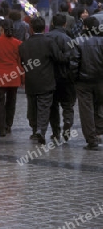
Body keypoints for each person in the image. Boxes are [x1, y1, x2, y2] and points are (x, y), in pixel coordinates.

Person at [19, 16, 69, 144]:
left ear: (31, 28)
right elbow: (60, 58)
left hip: (31, 81)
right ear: (44, 28)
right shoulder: (49, 42)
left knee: (32, 107)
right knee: (44, 107)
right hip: (46, 80)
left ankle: (34, 129)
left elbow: (22, 61)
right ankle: (41, 130)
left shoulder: (24, 45)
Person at [70, 17, 103, 150]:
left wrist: (74, 78)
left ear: (85, 27)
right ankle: (99, 131)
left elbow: (74, 63)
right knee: (100, 105)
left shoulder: (78, 41)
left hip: (83, 82)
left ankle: (91, 139)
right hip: (101, 80)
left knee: (86, 110)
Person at [46, 14, 76, 142]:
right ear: (64, 24)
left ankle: (55, 131)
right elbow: (72, 59)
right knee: (67, 105)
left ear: (52, 23)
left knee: (53, 106)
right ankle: (67, 123)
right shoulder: (68, 39)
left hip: (48, 77)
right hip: (65, 78)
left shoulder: (45, 38)